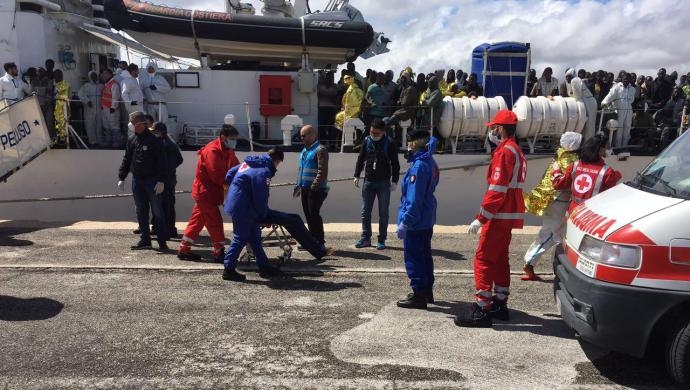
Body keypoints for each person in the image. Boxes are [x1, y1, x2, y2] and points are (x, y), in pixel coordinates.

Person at [455, 109, 527, 327]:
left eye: (495, 127)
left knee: (484, 259)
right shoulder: (516, 150)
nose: (493, 131)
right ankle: (499, 302)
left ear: (502, 129)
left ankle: (483, 309)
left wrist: (481, 218)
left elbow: (497, 189)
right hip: (507, 214)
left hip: (498, 214)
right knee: (500, 259)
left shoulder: (505, 152)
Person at [522, 132, 582, 281]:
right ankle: (530, 262)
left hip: (552, 201)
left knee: (554, 233)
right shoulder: (570, 159)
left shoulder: (560, 154)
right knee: (552, 233)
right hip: (559, 201)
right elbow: (567, 181)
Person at [177, 125, 240, 262]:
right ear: (223, 137)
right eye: (232, 139)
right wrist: (236, 183)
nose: (234, 141)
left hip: (209, 192)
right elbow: (216, 175)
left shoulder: (227, 150)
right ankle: (219, 251)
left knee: (197, 221)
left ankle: (184, 248)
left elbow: (236, 166)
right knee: (214, 221)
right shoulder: (212, 151)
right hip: (205, 193)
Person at [221, 149, 286, 281]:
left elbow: (229, 175)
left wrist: (238, 188)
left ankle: (264, 266)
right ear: (276, 160)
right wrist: (264, 214)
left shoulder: (250, 163)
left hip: (241, 205)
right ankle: (228, 269)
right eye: (278, 163)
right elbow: (261, 196)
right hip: (244, 208)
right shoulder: (264, 171)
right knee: (240, 238)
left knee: (255, 238)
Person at [395, 130, 440, 309]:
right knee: (425, 255)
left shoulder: (418, 166)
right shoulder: (430, 161)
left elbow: (414, 198)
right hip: (427, 217)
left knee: (414, 256)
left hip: (417, 220)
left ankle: (419, 294)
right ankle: (426, 290)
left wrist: (406, 221)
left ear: (414, 144)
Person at [117, 111, 169, 251]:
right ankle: (145, 239)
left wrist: (162, 181)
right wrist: (122, 177)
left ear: (141, 124)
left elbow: (163, 162)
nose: (131, 125)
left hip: (152, 180)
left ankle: (162, 241)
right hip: (137, 180)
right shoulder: (132, 140)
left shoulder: (155, 140)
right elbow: (127, 159)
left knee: (157, 211)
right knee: (141, 211)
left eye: (133, 123)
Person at [353, 118, 400, 250]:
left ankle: (382, 239)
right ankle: (365, 238)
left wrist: (395, 181)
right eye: (372, 132)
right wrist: (356, 174)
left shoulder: (389, 143)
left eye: (376, 133)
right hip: (368, 181)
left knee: (383, 213)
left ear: (383, 132)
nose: (373, 135)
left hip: (383, 183)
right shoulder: (367, 141)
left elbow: (395, 164)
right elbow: (361, 158)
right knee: (365, 212)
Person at [552, 134, 623, 214]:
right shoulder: (607, 172)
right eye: (607, 147)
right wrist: (617, 175)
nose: (608, 149)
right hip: (592, 215)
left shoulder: (575, 166)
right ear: (599, 149)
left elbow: (558, 184)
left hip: (573, 212)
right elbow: (610, 194)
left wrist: (556, 170)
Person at [296, 125, 329, 245]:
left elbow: (322, 171)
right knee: (308, 216)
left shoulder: (320, 150)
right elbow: (301, 169)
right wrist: (298, 185)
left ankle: (319, 241)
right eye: (301, 136)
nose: (301, 138)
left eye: (303, 136)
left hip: (315, 189)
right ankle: (312, 241)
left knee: (314, 215)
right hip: (305, 188)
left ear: (312, 135)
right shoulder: (305, 150)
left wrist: (314, 186)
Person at [152, 122, 184, 238]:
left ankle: (168, 230)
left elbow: (174, 161)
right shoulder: (168, 142)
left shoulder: (166, 144)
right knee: (167, 205)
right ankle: (165, 228)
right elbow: (179, 160)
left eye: (155, 131)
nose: (153, 134)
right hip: (169, 179)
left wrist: (165, 173)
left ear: (160, 132)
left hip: (165, 181)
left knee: (166, 206)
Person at [601, 72, 636, 149]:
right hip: (619, 110)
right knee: (619, 128)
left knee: (627, 127)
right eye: (624, 79)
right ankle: (618, 147)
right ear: (622, 79)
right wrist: (604, 102)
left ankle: (624, 146)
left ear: (630, 80)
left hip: (629, 110)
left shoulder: (632, 89)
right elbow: (610, 96)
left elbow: (632, 100)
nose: (626, 80)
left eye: (628, 79)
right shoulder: (616, 87)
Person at [78, 71, 103, 147]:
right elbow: (80, 94)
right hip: (89, 109)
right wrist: (87, 101)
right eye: (92, 76)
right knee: (90, 124)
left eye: (95, 75)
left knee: (99, 124)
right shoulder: (86, 86)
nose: (94, 77)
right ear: (90, 77)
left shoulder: (101, 86)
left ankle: (100, 140)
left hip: (99, 108)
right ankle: (92, 141)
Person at [571, 76, 598, 141]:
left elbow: (577, 95)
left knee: (589, 125)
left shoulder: (574, 81)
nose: (567, 78)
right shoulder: (577, 80)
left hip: (589, 103)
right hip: (587, 101)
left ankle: (589, 143)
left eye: (568, 77)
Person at [101, 68, 122, 149]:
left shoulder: (114, 84)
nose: (104, 75)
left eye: (106, 73)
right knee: (106, 126)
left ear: (110, 75)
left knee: (114, 126)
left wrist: (113, 107)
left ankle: (116, 143)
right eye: (103, 74)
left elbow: (115, 97)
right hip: (105, 108)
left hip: (112, 109)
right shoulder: (106, 84)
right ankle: (108, 142)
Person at [53, 69, 70, 145]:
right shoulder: (55, 84)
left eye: (56, 75)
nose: (55, 77)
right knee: (58, 124)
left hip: (63, 107)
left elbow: (66, 96)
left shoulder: (65, 84)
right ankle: (60, 138)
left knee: (64, 123)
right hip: (57, 108)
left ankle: (65, 140)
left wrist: (56, 96)